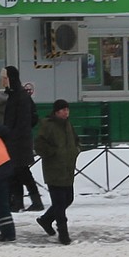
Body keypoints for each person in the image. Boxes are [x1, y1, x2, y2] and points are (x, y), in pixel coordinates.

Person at [34, 99, 81, 245]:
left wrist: (76, 149)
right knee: (60, 203)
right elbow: (39, 144)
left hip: (67, 168)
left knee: (68, 199)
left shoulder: (68, 125)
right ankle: (63, 233)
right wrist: (53, 153)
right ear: (56, 112)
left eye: (67, 109)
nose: (66, 112)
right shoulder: (48, 126)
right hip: (54, 169)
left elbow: (75, 140)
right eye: (63, 110)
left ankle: (46, 219)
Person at [1, 65, 43, 212]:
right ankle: (19, 202)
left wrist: (13, 136)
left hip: (18, 142)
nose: (3, 81)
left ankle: (34, 201)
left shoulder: (19, 96)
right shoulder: (15, 95)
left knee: (22, 172)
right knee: (17, 172)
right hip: (17, 140)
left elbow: (24, 120)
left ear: (11, 78)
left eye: (5, 78)